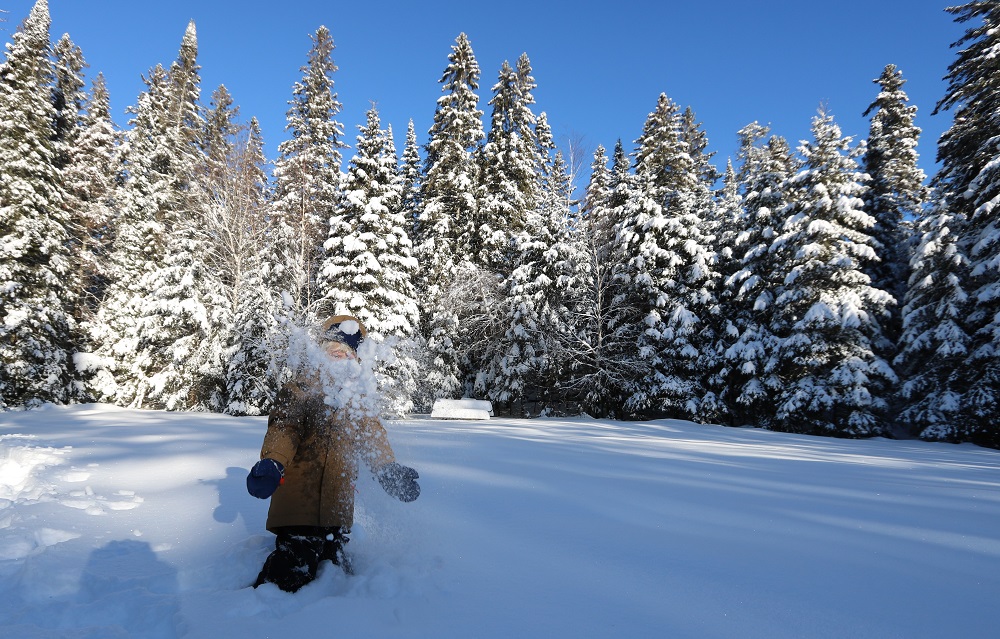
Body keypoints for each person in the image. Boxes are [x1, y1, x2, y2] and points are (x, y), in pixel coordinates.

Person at [247, 314, 420, 592]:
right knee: (294, 570)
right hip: (298, 508)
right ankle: (264, 611)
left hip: (336, 511)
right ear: (322, 353)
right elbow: (285, 429)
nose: (341, 359)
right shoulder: (301, 390)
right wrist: (272, 462)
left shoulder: (357, 400)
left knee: (337, 570)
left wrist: (386, 467)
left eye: (348, 354)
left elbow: (371, 434)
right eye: (334, 352)